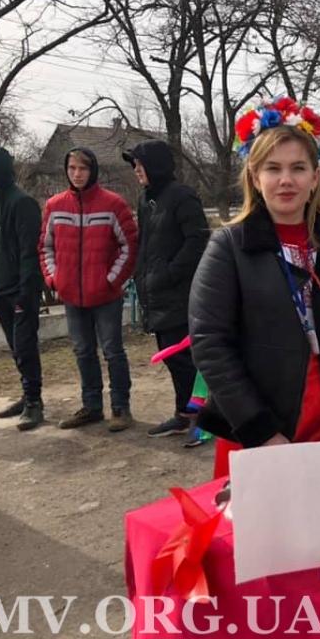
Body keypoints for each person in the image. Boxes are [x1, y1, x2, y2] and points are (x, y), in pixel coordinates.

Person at [189, 97, 320, 477]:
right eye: (273, 168)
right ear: (254, 176)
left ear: (315, 178)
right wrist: (261, 432)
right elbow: (211, 344)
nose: (286, 180)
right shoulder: (229, 247)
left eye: (298, 168)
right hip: (258, 428)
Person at [39, 147, 139, 432]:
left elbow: (130, 246)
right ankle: (92, 406)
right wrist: (55, 279)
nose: (77, 174)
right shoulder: (55, 205)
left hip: (106, 295)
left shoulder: (113, 204)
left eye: (82, 168)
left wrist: (111, 280)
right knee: (82, 352)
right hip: (72, 296)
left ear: (92, 170)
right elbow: (45, 246)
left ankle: (121, 408)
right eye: (72, 168)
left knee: (113, 352)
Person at [122, 140, 208, 443]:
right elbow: (146, 243)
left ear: (155, 165)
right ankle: (185, 414)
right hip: (156, 293)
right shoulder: (147, 199)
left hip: (179, 294)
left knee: (184, 360)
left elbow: (197, 240)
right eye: (134, 165)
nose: (136, 170)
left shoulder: (182, 196)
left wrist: (170, 273)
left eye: (140, 164)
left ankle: (200, 419)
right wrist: (141, 274)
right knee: (173, 359)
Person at [0, 146, 44, 430]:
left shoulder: (22, 202)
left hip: (20, 290)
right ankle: (26, 395)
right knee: (15, 347)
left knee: (25, 346)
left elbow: (29, 251)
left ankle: (34, 402)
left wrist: (26, 290)